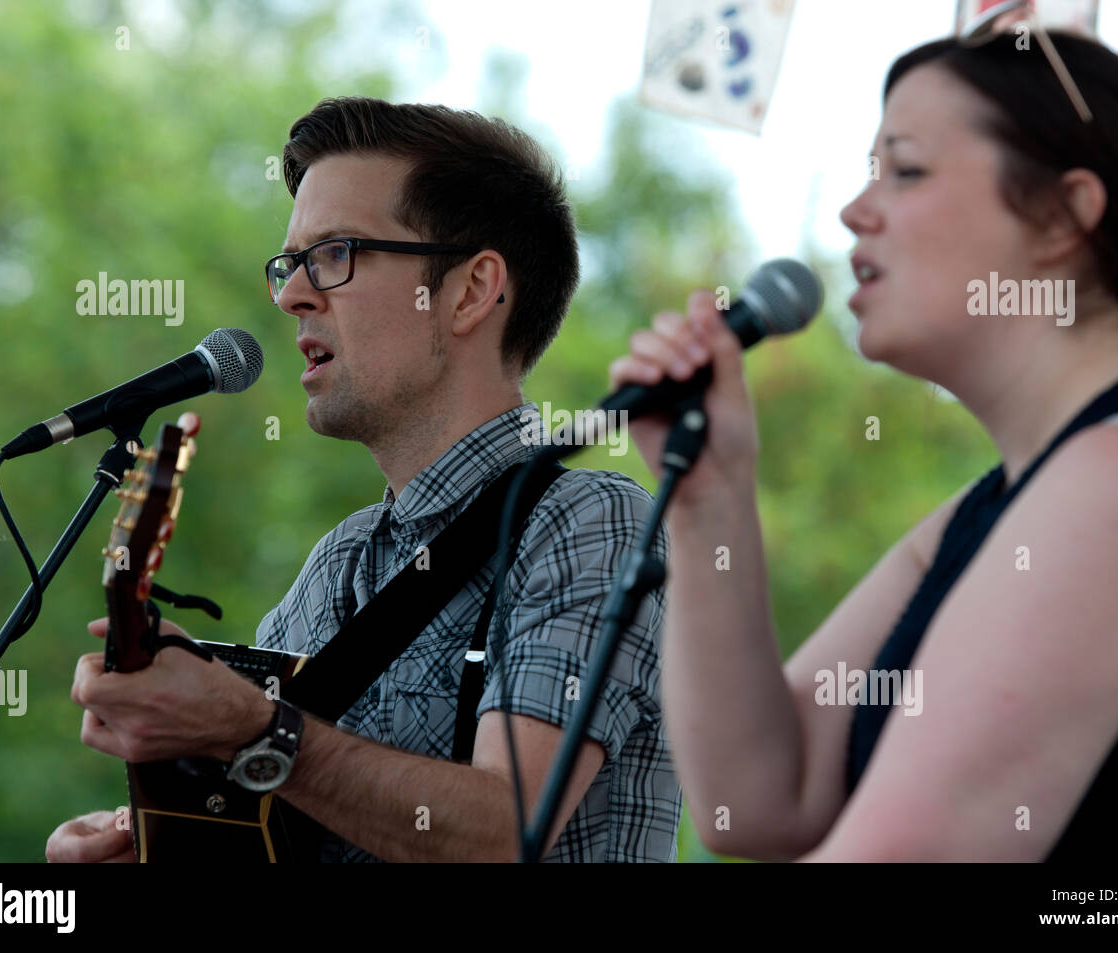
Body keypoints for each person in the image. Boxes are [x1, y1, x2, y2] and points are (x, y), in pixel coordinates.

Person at [609, 30, 1118, 861]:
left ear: (1063, 215)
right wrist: (709, 497)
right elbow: (756, 801)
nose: (856, 211)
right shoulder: (997, 506)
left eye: (906, 170)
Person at [46, 97, 680, 863]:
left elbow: (507, 828)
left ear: (473, 291)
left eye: (336, 253)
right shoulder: (334, 567)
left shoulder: (590, 520)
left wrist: (250, 724)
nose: (291, 295)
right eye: (290, 263)